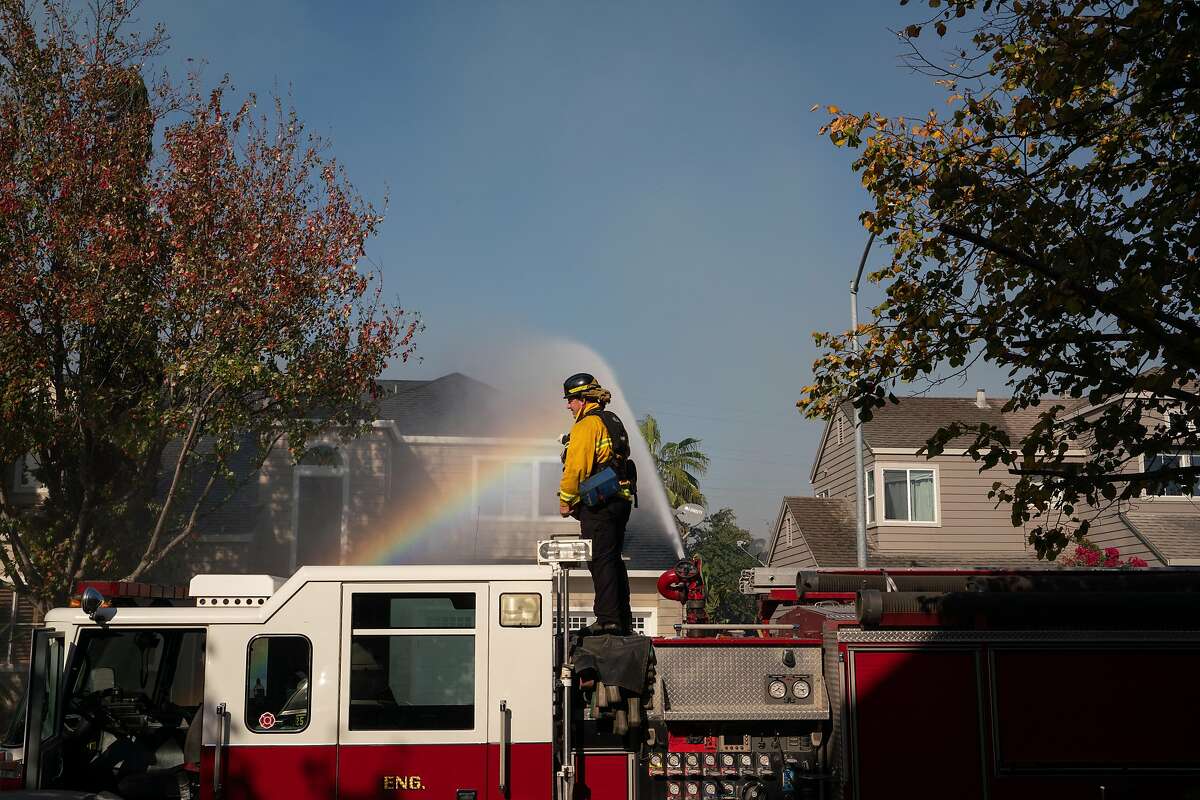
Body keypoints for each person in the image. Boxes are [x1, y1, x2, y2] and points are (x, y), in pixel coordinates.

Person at [558, 373, 636, 635]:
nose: (568, 406)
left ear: (582, 399)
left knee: (600, 561)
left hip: (599, 504)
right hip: (621, 500)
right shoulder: (612, 421)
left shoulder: (586, 425)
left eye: (570, 400)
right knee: (613, 559)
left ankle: (607, 620)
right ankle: (622, 618)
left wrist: (566, 500)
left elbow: (576, 467)